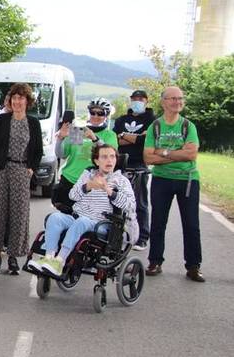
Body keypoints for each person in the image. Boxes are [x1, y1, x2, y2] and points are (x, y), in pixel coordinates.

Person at [28, 144, 137, 277]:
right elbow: (72, 196)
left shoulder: (121, 181)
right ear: (97, 161)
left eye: (112, 157)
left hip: (102, 223)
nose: (109, 160)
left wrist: (109, 191)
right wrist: (88, 186)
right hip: (78, 217)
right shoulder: (87, 175)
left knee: (82, 222)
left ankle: (60, 261)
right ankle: (49, 257)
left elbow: (130, 205)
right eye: (104, 157)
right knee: (54, 217)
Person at [143, 86, 204, 282]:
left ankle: (193, 266)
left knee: (191, 224)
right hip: (161, 179)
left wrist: (164, 152)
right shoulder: (155, 127)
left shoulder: (189, 126)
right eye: (173, 98)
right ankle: (155, 261)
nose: (178, 102)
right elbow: (148, 157)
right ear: (163, 102)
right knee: (158, 222)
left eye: (180, 98)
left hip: (188, 180)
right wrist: (178, 154)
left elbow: (191, 154)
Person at [0, 84, 43, 275]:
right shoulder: (1, 119)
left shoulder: (33, 123)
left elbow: (38, 150)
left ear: (27, 101)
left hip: (21, 170)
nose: (17, 101)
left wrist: (31, 168)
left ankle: (13, 257)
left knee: (18, 214)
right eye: (14, 98)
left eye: (21, 98)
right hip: (0, 169)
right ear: (10, 101)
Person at [53, 97, 118, 208]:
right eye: (93, 112)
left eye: (100, 113)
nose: (96, 116)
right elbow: (61, 154)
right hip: (70, 179)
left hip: (93, 183)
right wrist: (60, 139)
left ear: (106, 115)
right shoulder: (79, 131)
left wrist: (94, 138)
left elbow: (109, 154)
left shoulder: (109, 135)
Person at [113, 89, 156, 251]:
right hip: (119, 165)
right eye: (134, 98)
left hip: (139, 166)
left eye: (140, 98)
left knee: (140, 202)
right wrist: (135, 138)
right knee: (115, 201)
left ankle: (142, 237)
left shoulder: (152, 120)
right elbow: (115, 140)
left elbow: (147, 141)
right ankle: (116, 236)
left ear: (146, 100)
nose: (137, 101)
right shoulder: (121, 119)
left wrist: (125, 136)